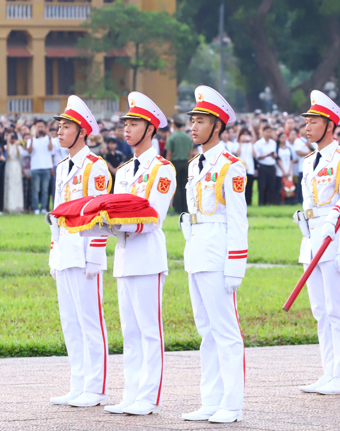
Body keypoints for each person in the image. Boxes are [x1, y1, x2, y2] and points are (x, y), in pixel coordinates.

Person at [179, 86, 248, 424]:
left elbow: (238, 219)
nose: (193, 126)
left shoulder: (231, 166)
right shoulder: (196, 165)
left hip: (219, 249)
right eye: (192, 120)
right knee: (206, 330)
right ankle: (211, 399)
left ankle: (232, 403)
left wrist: (236, 263)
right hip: (197, 248)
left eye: (201, 120)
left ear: (218, 126)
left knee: (225, 331)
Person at [105, 92, 176, 416]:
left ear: (150, 129)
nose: (127, 130)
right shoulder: (122, 171)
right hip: (124, 255)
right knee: (129, 332)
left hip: (146, 254)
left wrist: (119, 225)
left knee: (149, 330)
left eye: (134, 124)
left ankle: (148, 396)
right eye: (126, 124)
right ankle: (131, 392)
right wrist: (103, 225)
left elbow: (153, 217)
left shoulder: (162, 169)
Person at [293, 91, 340, 396]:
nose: (307, 127)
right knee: (320, 309)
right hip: (311, 237)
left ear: (330, 125)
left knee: (337, 308)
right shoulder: (309, 162)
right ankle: (329, 370)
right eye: (306, 121)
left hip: (333, 239)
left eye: (314, 121)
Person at [46, 96, 112, 408]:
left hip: (86, 249)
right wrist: (53, 250)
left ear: (82, 132)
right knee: (70, 320)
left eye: (66, 127)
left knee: (90, 320)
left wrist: (96, 253)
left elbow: (101, 216)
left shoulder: (95, 167)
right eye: (58, 126)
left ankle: (96, 387)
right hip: (65, 248)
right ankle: (78, 382)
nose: (59, 131)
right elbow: (57, 213)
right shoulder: (62, 168)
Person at [165, 116, 193, 214]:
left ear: (174, 125)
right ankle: (185, 208)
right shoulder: (187, 137)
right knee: (185, 186)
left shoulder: (172, 137)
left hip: (175, 163)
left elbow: (169, 154)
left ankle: (177, 209)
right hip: (186, 163)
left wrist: (168, 167)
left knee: (176, 187)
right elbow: (190, 152)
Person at [27, 120, 55, 215]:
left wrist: (50, 137)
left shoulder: (48, 138)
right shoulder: (32, 139)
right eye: (38, 126)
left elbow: (51, 149)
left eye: (42, 126)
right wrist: (31, 140)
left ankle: (43, 207)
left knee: (45, 190)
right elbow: (30, 152)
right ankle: (36, 208)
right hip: (35, 168)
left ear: (45, 128)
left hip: (46, 167)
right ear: (35, 128)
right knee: (36, 190)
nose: (40, 128)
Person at [254, 125, 277, 206]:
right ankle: (261, 203)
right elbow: (257, 157)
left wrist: (273, 155)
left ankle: (270, 203)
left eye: (270, 132)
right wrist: (267, 155)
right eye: (267, 132)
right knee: (262, 186)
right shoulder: (258, 143)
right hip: (263, 166)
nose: (268, 134)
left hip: (271, 166)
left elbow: (275, 155)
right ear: (263, 132)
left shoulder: (273, 143)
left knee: (271, 186)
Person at [3, 132, 24, 214]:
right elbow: (8, 154)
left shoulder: (19, 146)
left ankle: (17, 206)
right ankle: (9, 206)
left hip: (17, 166)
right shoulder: (5, 146)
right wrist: (8, 141)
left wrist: (16, 145)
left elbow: (19, 156)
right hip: (9, 165)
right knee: (9, 186)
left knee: (17, 185)